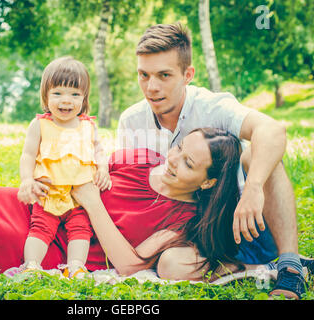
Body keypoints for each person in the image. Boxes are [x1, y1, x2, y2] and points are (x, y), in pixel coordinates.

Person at [0, 128, 259, 284]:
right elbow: (87, 169)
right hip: (43, 208)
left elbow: (131, 266)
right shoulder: (141, 158)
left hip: (58, 246)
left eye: (188, 163)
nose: (173, 160)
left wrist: (94, 204)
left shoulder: (182, 221)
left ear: (208, 182)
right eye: (179, 147)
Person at [117, 22, 306, 299]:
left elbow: (273, 130)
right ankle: (247, 266)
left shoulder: (212, 107)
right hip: (190, 234)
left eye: (164, 75)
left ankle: (290, 266)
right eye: (143, 75)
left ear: (187, 75)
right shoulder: (131, 121)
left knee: (258, 153)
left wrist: (252, 189)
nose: (151, 87)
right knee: (169, 264)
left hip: (243, 223)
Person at [16, 56, 111, 277]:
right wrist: (27, 180)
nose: (66, 100)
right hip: (48, 193)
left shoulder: (88, 125)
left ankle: (76, 266)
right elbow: (27, 155)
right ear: (46, 95)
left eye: (75, 94)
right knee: (40, 228)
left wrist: (103, 169)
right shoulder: (40, 124)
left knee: (81, 230)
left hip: (79, 197)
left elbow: (99, 151)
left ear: (84, 97)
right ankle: (31, 266)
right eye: (58, 93)